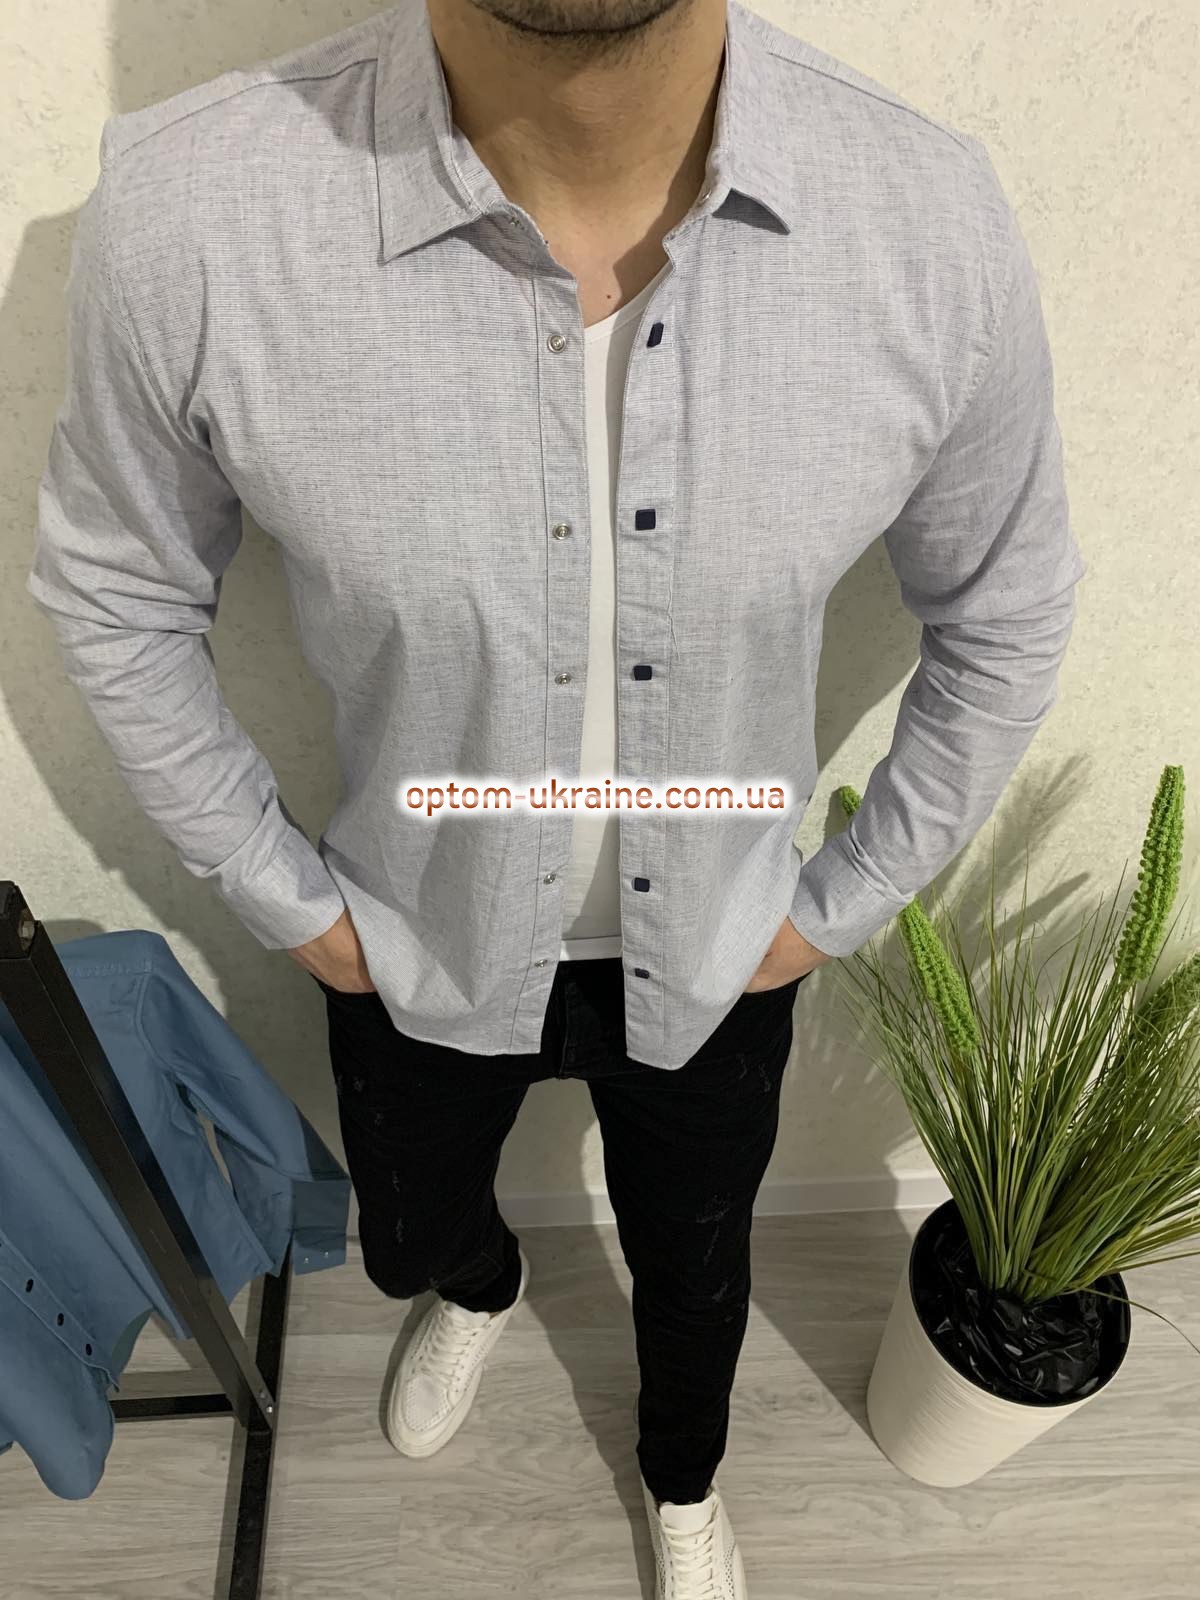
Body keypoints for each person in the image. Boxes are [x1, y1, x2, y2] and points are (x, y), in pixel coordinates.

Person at [28, 0, 1084, 1593]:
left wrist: (835, 908)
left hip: (727, 944)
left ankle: (681, 1483)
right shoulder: (195, 210)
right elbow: (116, 592)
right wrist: (287, 899)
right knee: (408, 1228)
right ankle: (482, 1286)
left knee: (697, 1270)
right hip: (410, 929)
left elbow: (1007, 610)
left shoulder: (925, 220)